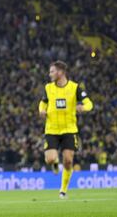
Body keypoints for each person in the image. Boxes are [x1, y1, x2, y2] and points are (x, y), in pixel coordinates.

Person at [38, 61, 94, 199]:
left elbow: (89, 103)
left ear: (61, 72)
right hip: (52, 129)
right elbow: (43, 102)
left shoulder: (75, 88)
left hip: (69, 129)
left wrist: (83, 108)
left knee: (68, 160)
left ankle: (63, 191)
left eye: (52, 71)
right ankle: (55, 163)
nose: (49, 74)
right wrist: (41, 111)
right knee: (50, 159)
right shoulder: (48, 88)